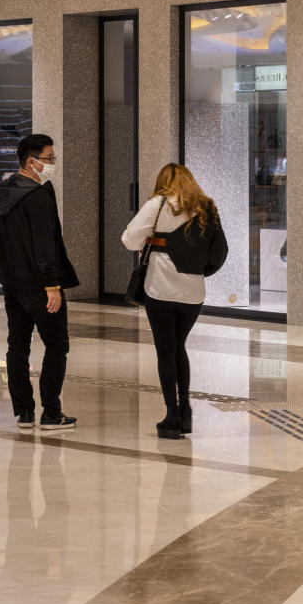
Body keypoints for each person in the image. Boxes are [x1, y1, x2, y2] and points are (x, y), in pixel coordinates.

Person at [122, 164, 227, 439]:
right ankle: (187, 410)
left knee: (166, 351)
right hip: (193, 293)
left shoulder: (158, 204)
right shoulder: (206, 206)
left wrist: (150, 239)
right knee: (179, 346)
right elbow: (220, 252)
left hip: (160, 289)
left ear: (163, 182)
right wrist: (200, 271)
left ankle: (172, 413)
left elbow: (129, 239)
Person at [0, 133, 79, 431]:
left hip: (11, 282)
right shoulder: (37, 195)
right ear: (31, 162)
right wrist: (52, 286)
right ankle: (51, 413)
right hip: (40, 285)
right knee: (56, 345)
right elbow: (45, 245)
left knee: (17, 345)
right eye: (49, 159)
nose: (52, 164)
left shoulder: (1, 191)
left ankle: (24, 412)